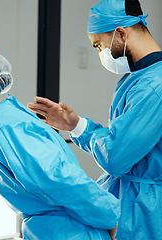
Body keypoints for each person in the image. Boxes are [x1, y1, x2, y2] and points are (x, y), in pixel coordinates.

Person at [0, 45, 120, 239]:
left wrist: (112, 216)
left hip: (68, 233)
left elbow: (59, 177)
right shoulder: (1, 121)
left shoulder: (3, 126)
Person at [27, 0, 162, 239]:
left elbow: (116, 157)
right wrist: (73, 124)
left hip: (144, 216)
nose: (101, 53)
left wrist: (80, 128)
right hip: (132, 205)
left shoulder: (154, 87)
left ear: (120, 34)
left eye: (99, 45)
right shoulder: (139, 78)